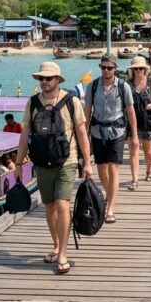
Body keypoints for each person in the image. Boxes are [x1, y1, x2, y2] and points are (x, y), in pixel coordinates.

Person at [16, 61, 93, 276]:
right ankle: (57, 244)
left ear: (58, 80)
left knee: (62, 205)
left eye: (48, 78)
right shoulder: (32, 103)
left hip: (66, 161)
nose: (44, 82)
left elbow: (81, 132)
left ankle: (63, 254)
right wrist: (19, 163)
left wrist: (87, 162)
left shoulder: (71, 101)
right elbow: (25, 134)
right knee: (49, 207)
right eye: (41, 78)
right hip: (41, 163)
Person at [85, 53, 137, 223]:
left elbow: (130, 111)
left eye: (110, 68)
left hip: (117, 131)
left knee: (114, 167)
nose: (106, 71)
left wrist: (134, 136)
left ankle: (110, 208)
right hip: (97, 131)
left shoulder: (123, 87)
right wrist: (84, 132)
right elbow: (87, 109)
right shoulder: (92, 86)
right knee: (101, 168)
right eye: (103, 67)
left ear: (115, 69)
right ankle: (109, 193)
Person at [129, 55, 151, 186]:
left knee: (148, 151)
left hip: (148, 119)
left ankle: (149, 171)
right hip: (132, 120)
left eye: (140, 68)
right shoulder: (128, 84)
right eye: (135, 68)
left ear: (145, 69)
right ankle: (135, 179)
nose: (138, 71)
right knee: (133, 149)